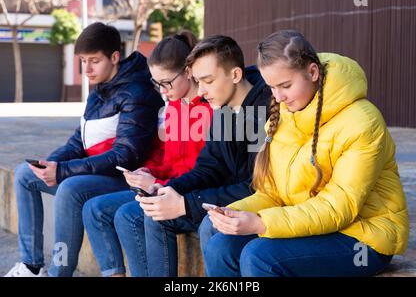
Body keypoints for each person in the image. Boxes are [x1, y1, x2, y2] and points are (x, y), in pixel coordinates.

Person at [200, 29, 409, 277]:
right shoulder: (282, 119)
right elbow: (273, 194)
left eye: (285, 85)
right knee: (221, 244)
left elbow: (338, 208)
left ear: (312, 72)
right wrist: (236, 213)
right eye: (271, 87)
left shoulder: (362, 122)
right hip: (312, 222)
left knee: (260, 257)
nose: (277, 97)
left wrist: (262, 222)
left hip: (364, 236)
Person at [5, 22, 164, 277]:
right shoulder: (98, 92)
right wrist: (52, 164)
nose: (87, 69)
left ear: (114, 57)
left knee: (70, 187)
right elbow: (79, 142)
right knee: (26, 174)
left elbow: (125, 156)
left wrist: (64, 171)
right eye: (82, 61)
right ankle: (32, 265)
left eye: (94, 61)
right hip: (97, 175)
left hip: (128, 179)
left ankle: (60, 272)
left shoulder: (136, 92)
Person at [130, 35, 271, 277]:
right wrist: (168, 189)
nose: (202, 91)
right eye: (197, 81)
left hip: (258, 204)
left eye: (208, 80)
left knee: (209, 225)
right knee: (156, 215)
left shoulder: (264, 112)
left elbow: (256, 186)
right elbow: (208, 167)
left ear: (235, 75)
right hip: (222, 197)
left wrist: (186, 203)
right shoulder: (223, 110)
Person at [82, 30, 213, 277]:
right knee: (103, 209)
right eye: (157, 84)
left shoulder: (211, 110)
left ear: (188, 71)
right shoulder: (173, 107)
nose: (162, 91)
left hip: (189, 194)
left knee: (129, 216)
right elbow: (166, 157)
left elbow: (204, 173)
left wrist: (158, 183)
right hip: (165, 187)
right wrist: (148, 171)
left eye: (166, 83)